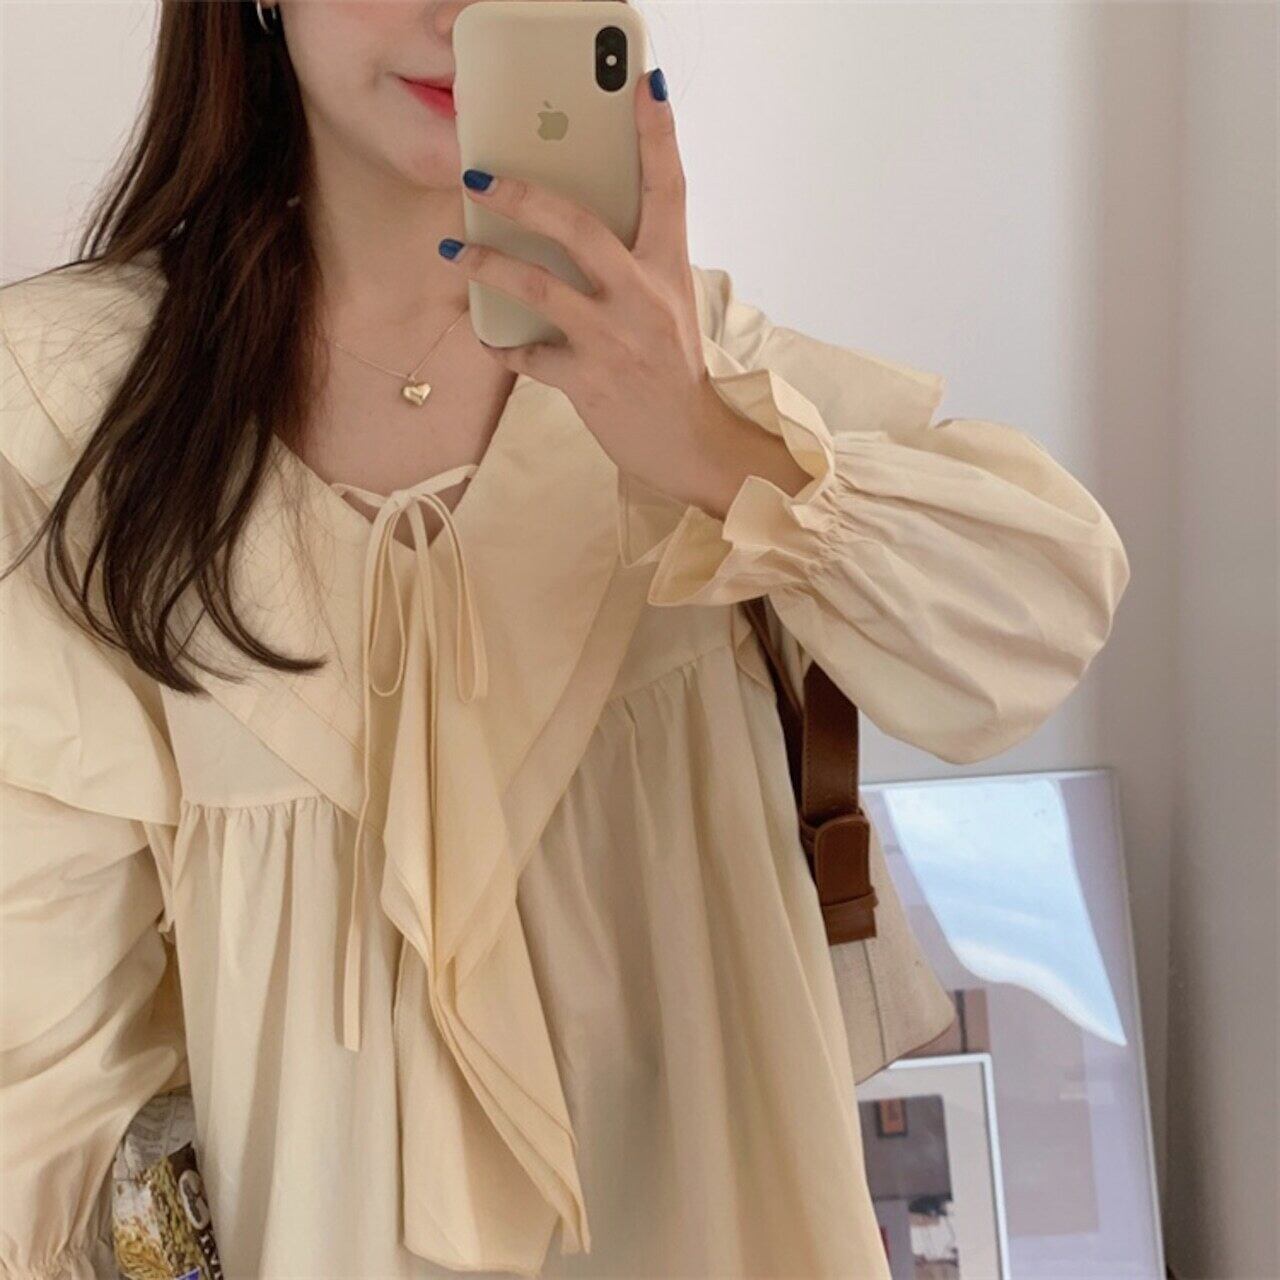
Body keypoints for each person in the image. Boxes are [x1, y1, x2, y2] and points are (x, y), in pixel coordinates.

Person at [0, 2, 1131, 1277]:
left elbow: (1036, 626)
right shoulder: (69, 417)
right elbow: (44, 1084)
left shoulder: (703, 367)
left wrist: (703, 440)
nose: (456, 11)